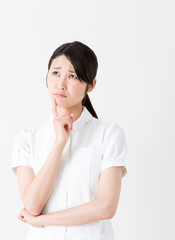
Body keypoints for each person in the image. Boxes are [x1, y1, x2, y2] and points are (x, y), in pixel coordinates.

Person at [11, 41, 127, 240]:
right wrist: (59, 144)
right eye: (55, 73)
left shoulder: (109, 134)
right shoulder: (27, 139)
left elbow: (106, 207)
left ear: (91, 85)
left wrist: (42, 221)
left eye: (72, 76)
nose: (61, 84)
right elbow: (32, 205)